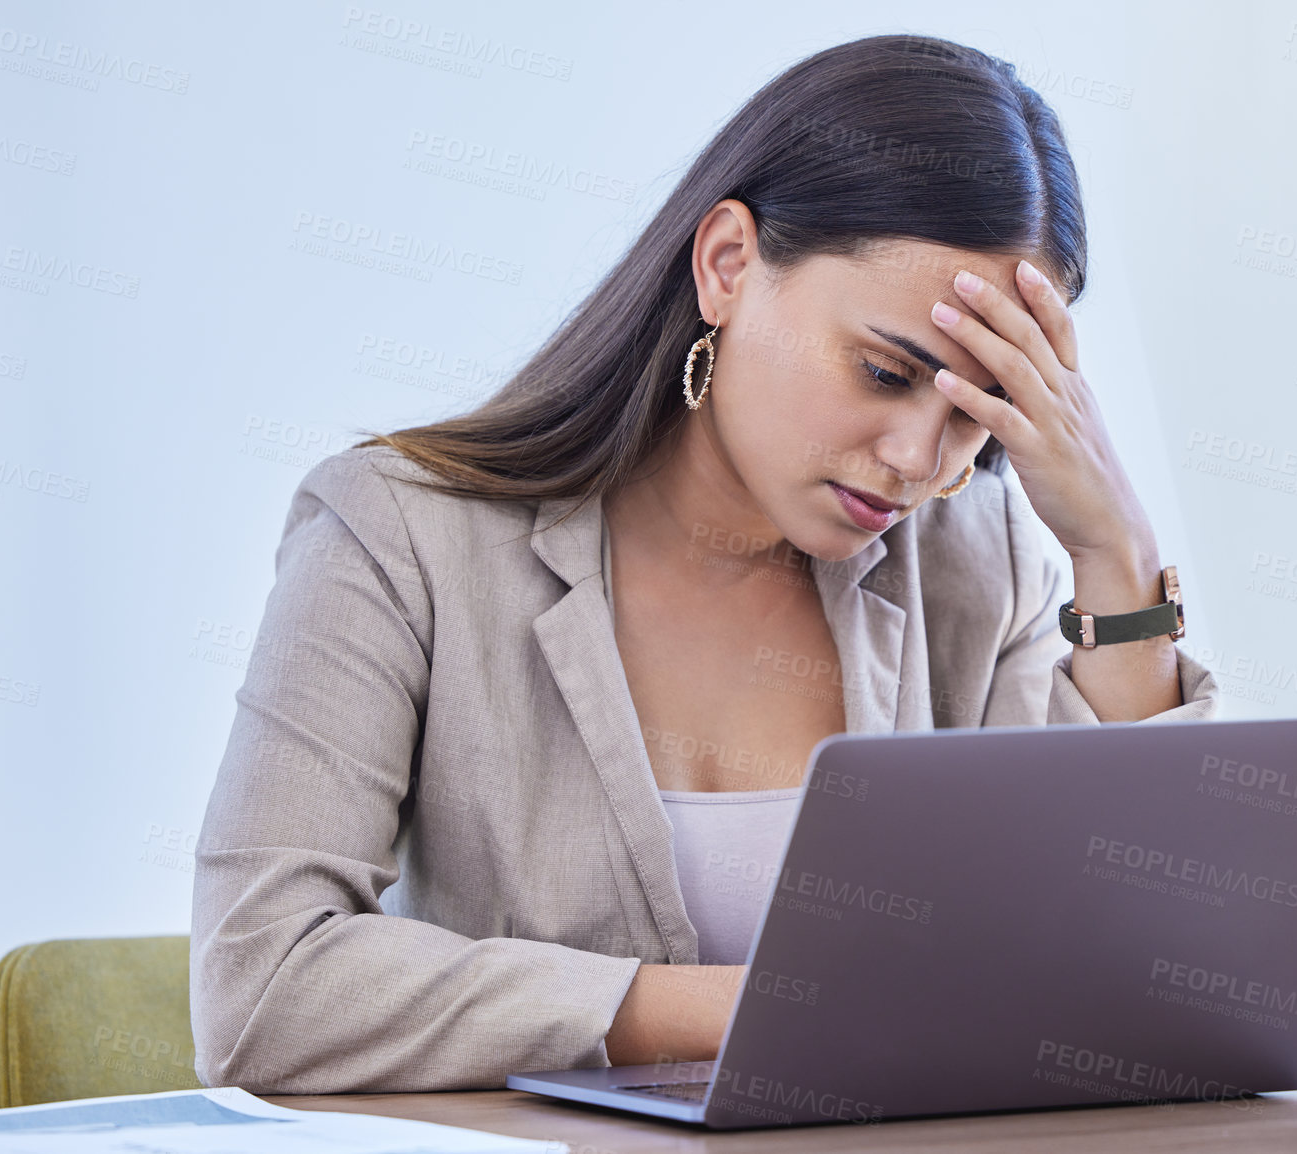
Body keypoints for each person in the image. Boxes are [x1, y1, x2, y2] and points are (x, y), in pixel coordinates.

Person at [189, 32, 1219, 1094]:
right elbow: (263, 986)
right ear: (728, 264)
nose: (919, 460)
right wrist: (743, 1009)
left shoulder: (972, 561)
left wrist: (1116, 552)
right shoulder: (402, 536)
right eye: (883, 370)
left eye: (974, 410)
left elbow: (1121, 964)